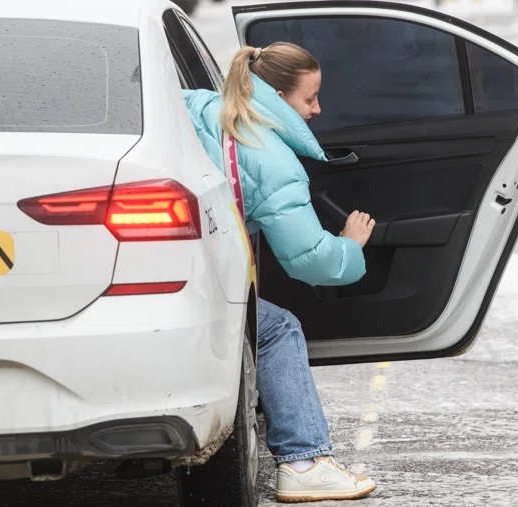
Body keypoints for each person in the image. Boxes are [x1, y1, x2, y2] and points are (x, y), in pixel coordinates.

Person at [183, 42, 377, 502]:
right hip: (194, 282)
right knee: (276, 329)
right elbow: (310, 258)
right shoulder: (270, 156)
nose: (318, 109)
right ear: (277, 96)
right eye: (310, 98)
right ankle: (304, 462)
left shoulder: (200, 106)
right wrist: (350, 245)